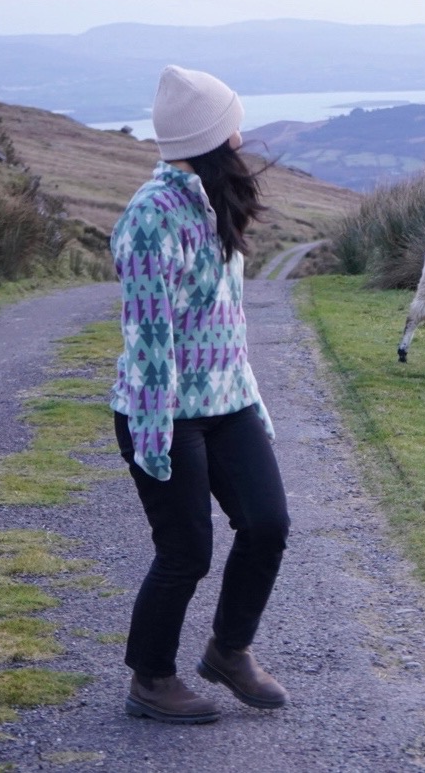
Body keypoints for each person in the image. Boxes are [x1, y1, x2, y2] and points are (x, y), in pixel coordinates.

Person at [109, 65, 290, 724]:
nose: (242, 139)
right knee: (186, 551)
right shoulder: (151, 218)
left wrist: (253, 403)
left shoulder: (217, 202)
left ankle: (228, 649)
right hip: (162, 410)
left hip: (226, 400)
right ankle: (150, 679)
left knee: (267, 523)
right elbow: (149, 341)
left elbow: (229, 322)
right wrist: (155, 443)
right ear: (211, 138)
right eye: (232, 127)